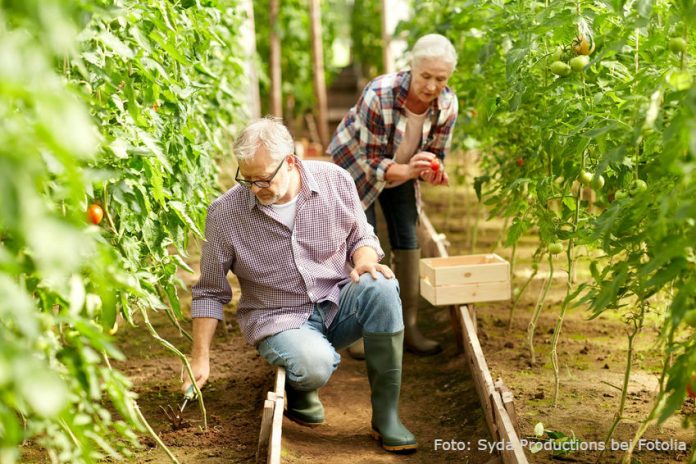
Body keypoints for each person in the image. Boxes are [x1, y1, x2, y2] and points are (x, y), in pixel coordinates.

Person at [182, 117, 417, 452]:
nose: (255, 188)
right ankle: (301, 382)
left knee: (381, 286)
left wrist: (364, 260)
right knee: (312, 364)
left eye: (264, 178)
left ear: (290, 162)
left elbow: (361, 235)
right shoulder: (225, 214)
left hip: (337, 300)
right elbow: (209, 291)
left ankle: (387, 416)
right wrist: (200, 357)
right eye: (247, 179)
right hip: (279, 316)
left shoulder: (334, 180)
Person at [328, 34, 459, 358]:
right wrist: (408, 170)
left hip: (401, 168)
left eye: (440, 79)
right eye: (425, 76)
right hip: (357, 166)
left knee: (408, 237)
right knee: (359, 240)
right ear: (411, 69)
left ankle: (408, 326)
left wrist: (431, 168)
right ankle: (357, 329)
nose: (431, 86)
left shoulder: (447, 105)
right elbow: (372, 163)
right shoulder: (380, 93)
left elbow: (435, 153)